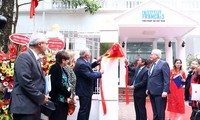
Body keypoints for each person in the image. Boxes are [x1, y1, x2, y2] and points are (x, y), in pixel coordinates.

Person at [9, 32, 49, 120]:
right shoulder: (24, 57)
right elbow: (25, 82)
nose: (47, 46)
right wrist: (41, 97)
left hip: (32, 105)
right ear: (39, 44)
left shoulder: (35, 58)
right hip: (25, 107)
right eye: (46, 43)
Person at [74, 48, 104, 120]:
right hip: (84, 91)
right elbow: (90, 76)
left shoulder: (81, 61)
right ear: (86, 56)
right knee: (84, 111)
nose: (90, 55)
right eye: (90, 53)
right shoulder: (82, 64)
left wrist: (96, 62)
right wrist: (100, 73)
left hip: (85, 90)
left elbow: (89, 66)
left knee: (85, 110)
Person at [146, 49, 170, 120]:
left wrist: (165, 90)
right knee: (155, 112)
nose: (150, 55)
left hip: (160, 92)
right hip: (152, 92)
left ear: (157, 55)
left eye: (152, 54)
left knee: (160, 112)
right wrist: (148, 88)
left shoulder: (163, 64)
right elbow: (150, 78)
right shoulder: (152, 65)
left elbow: (166, 79)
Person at [48, 51, 71, 120]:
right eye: (67, 60)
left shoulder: (63, 69)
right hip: (57, 100)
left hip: (63, 101)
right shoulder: (55, 68)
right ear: (63, 60)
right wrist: (68, 94)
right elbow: (57, 85)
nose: (68, 61)